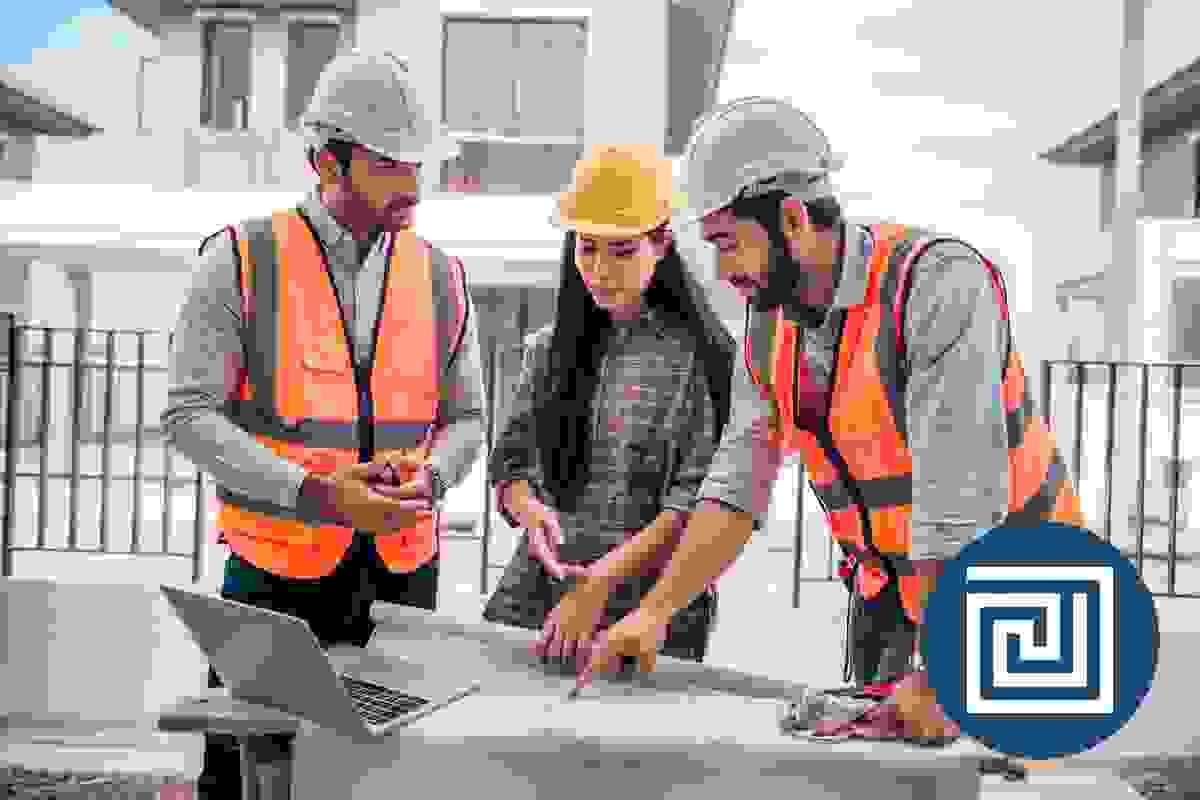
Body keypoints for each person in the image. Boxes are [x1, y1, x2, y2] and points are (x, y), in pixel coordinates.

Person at [558, 97, 1086, 744]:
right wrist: (655, 613)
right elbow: (738, 481)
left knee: (1002, 780)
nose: (724, 273)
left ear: (791, 219)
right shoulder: (766, 326)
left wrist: (942, 672)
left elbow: (959, 501)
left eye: (729, 244)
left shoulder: (937, 285)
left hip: (1022, 598)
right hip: (895, 600)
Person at [162, 50, 484, 798]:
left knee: (379, 777)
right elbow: (188, 415)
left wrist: (432, 475)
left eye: (418, 163)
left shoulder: (442, 276)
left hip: (403, 574)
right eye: (390, 163)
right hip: (274, 576)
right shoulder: (240, 260)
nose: (413, 183)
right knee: (243, 773)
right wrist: (318, 494)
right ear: (328, 160)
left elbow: (467, 419)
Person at [482, 144, 736, 667]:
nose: (599, 269)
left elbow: (691, 510)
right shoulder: (548, 351)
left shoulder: (702, 362)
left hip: (648, 611)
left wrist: (600, 582)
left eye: (621, 251)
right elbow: (509, 470)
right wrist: (533, 516)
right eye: (587, 248)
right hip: (539, 597)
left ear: (662, 242)